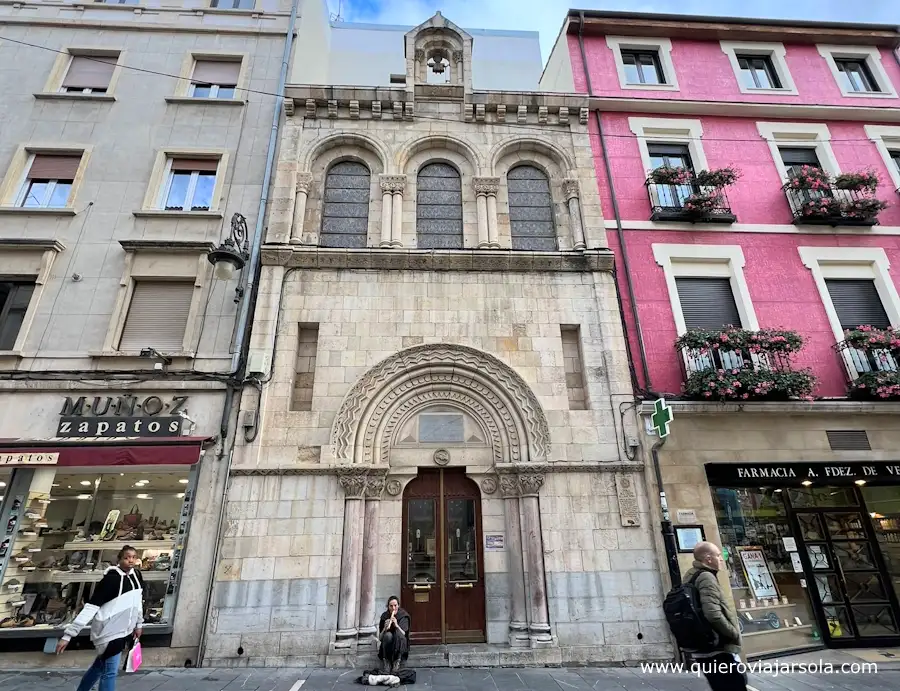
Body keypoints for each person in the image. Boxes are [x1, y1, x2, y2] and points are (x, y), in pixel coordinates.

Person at [56, 545, 144, 691]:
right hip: (109, 631)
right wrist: (68, 635)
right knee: (110, 672)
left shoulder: (137, 576)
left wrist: (139, 624)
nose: (130, 561)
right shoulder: (110, 580)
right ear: (119, 559)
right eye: (127, 557)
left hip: (125, 630)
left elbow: (137, 602)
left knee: (100, 666)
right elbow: (92, 606)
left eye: (133, 557)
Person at [682, 541, 746, 691]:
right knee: (734, 686)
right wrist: (733, 633)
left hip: (702, 645)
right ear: (708, 558)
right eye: (718, 555)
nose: (722, 559)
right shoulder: (706, 577)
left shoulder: (691, 574)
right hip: (716, 647)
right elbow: (713, 614)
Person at [377, 595, 410, 674]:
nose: (393, 608)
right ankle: (387, 661)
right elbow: (380, 638)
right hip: (388, 644)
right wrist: (385, 628)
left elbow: (404, 634)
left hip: (400, 642)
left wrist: (397, 625)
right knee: (388, 635)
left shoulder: (403, 615)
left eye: (395, 605)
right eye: (391, 606)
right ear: (388, 606)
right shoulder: (384, 616)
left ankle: (397, 661)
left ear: (398, 605)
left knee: (397, 635)